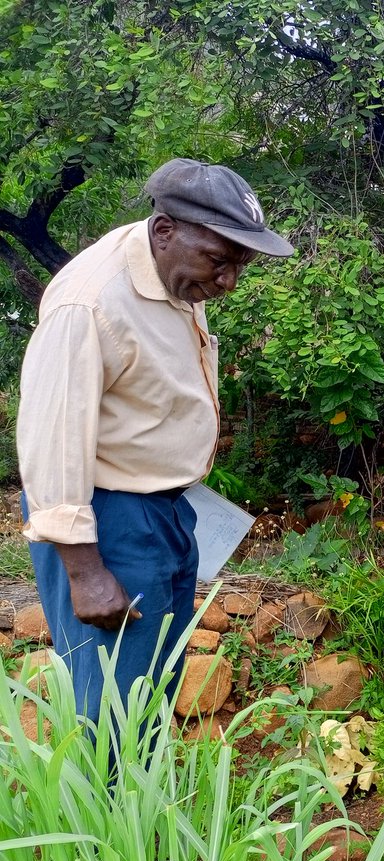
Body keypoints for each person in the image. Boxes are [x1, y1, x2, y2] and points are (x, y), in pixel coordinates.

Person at [17, 158, 294, 724]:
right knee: (112, 702)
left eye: (237, 265)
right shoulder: (89, 302)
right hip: (108, 518)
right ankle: (101, 811)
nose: (228, 282)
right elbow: (50, 437)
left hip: (163, 510)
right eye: (219, 261)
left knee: (153, 684)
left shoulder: (170, 274)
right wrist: (86, 571)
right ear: (165, 230)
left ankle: (142, 807)